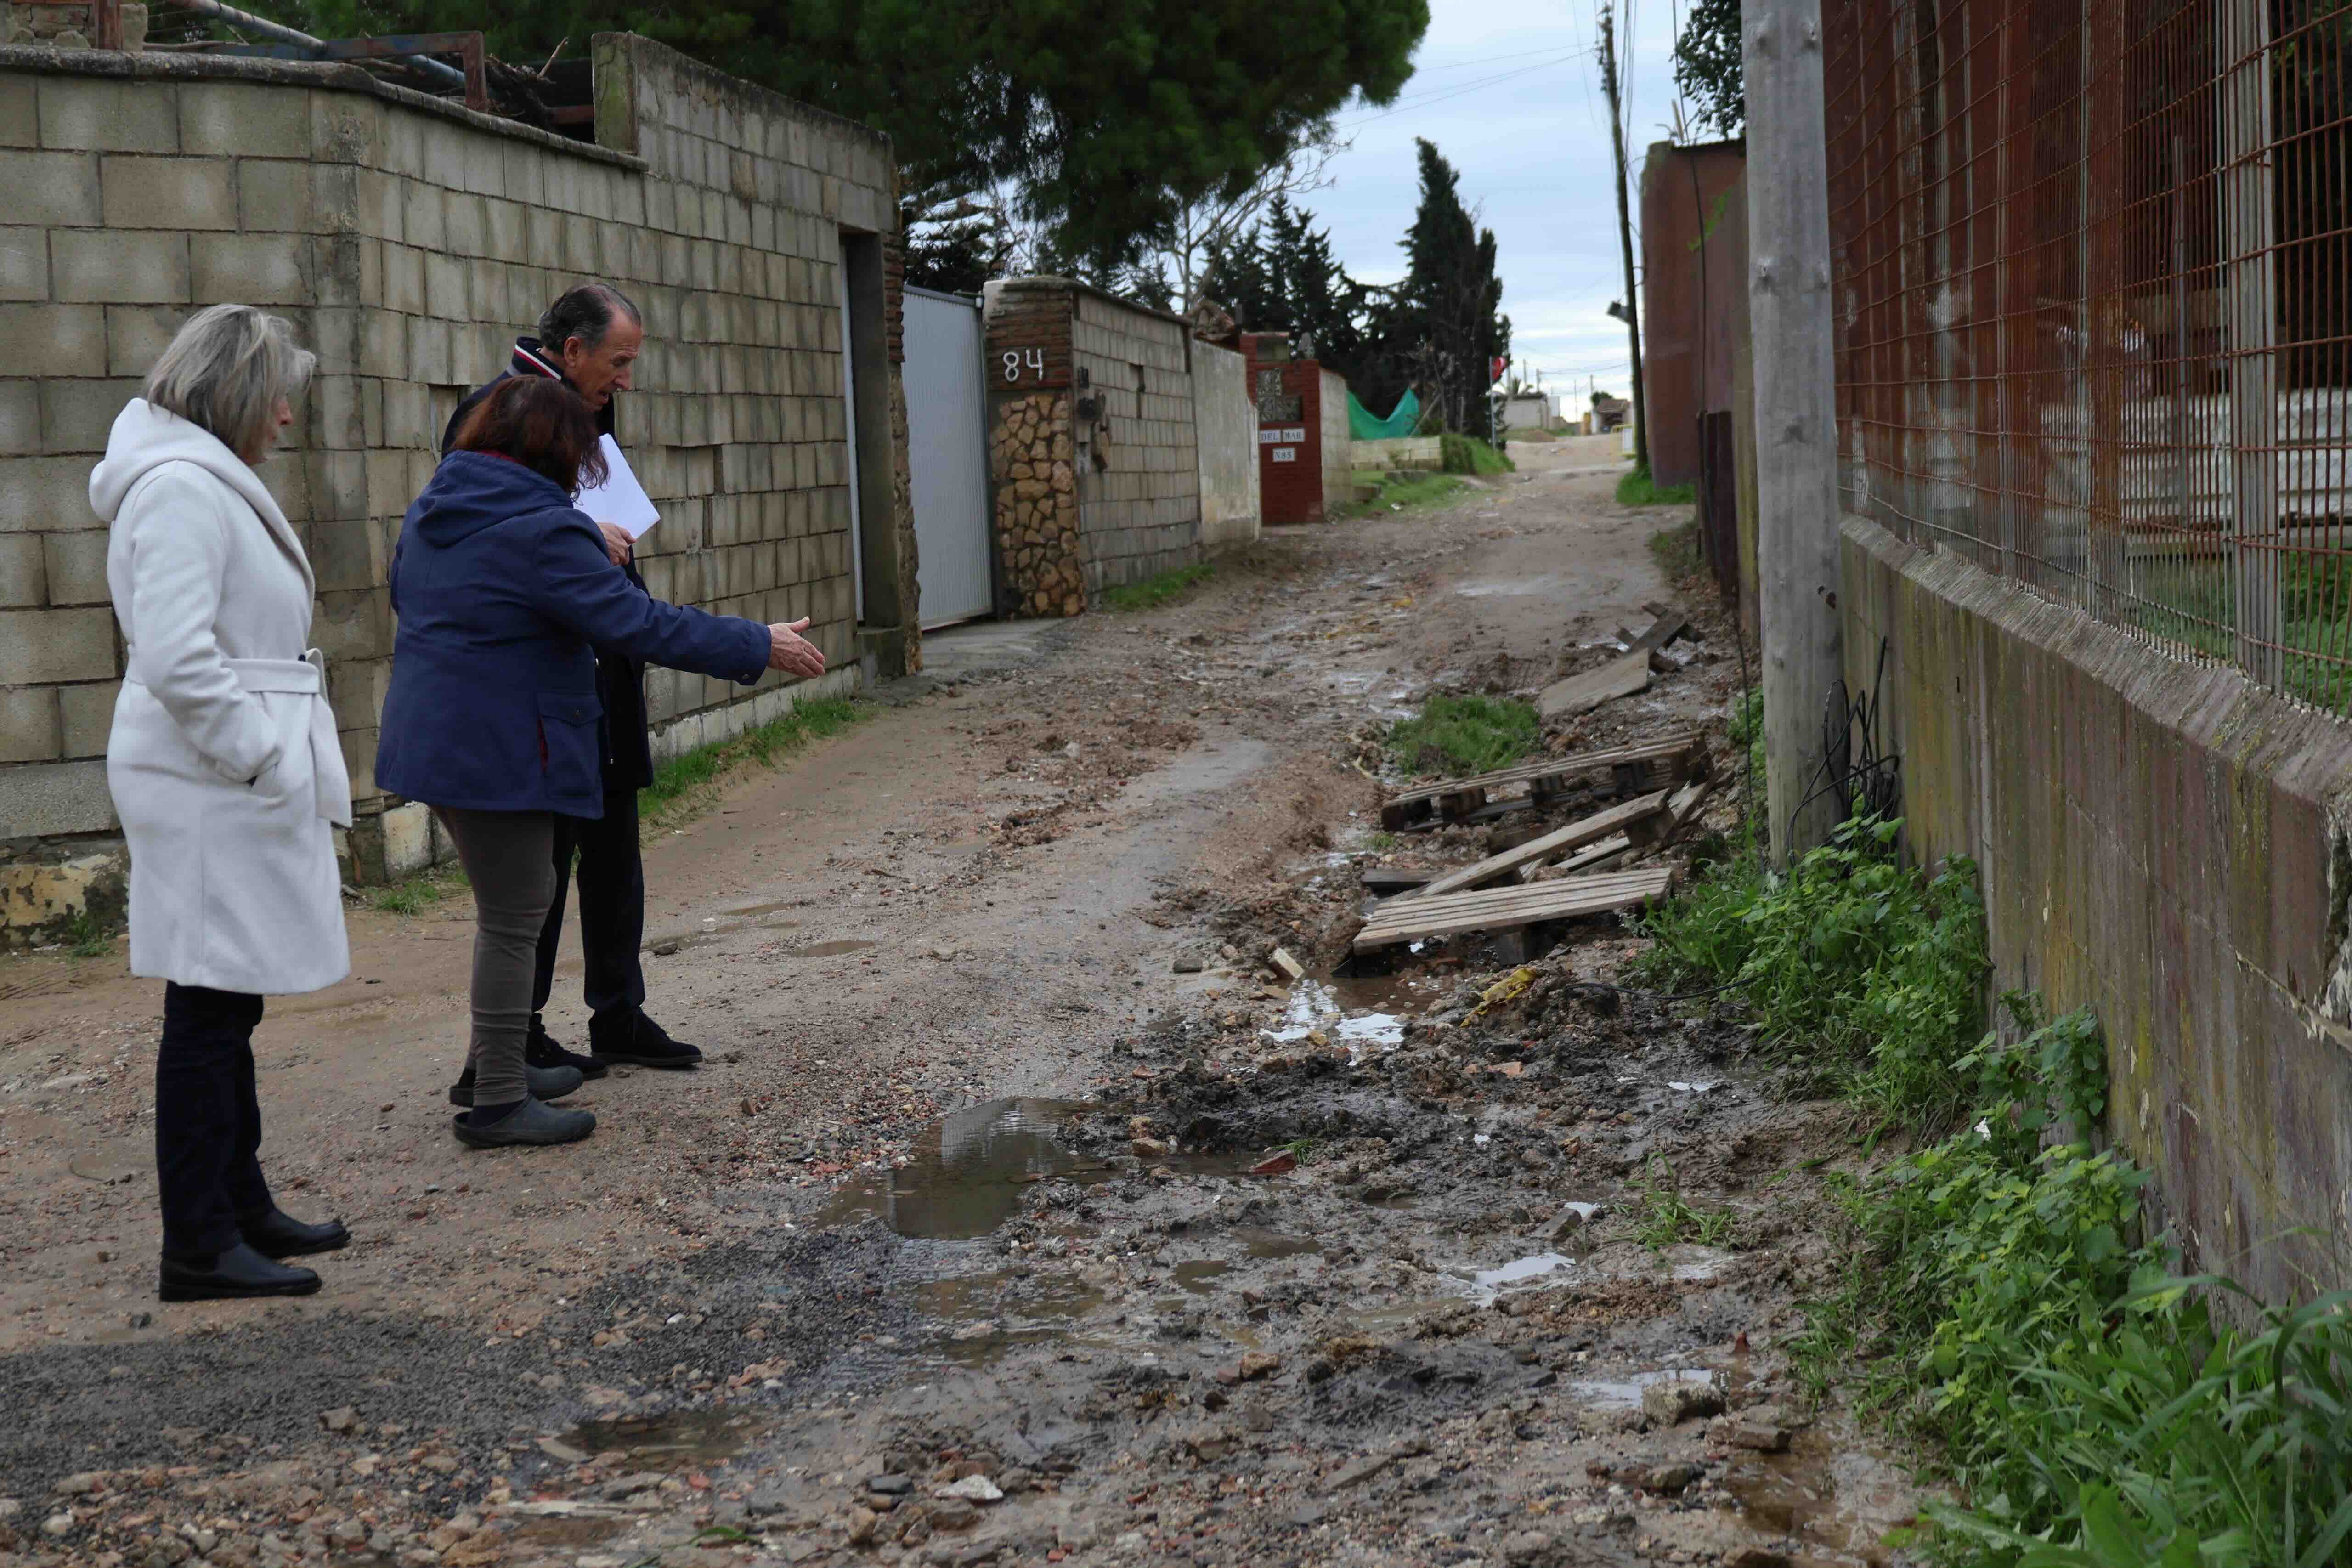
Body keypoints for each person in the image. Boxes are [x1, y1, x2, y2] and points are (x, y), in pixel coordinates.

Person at [378, 378, 826, 1148]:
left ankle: (497, 1071)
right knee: (518, 913)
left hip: (432, 737)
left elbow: (414, 601)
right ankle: (497, 1100)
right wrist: (758, 642)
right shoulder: (543, 530)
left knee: (510, 908)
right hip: (499, 746)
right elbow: (635, 623)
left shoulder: (436, 508)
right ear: (555, 453)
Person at [90, 305, 354, 1302]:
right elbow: (175, 654)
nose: (288, 415)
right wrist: (256, 756)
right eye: (279, 393)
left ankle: (240, 1204)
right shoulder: (181, 493)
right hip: (206, 776)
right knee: (205, 1008)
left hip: (220, 774)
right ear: (238, 393)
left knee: (227, 1000)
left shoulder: (196, 483)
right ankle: (198, 1243)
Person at [442, 284, 700, 1080]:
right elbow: (471, 523)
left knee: (616, 846)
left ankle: (618, 1012)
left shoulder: (589, 409)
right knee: (542, 864)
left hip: (605, 659)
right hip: (547, 671)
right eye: (618, 363)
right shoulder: (497, 413)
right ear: (574, 350)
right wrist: (578, 532)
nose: (626, 380)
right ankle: (514, 1036)